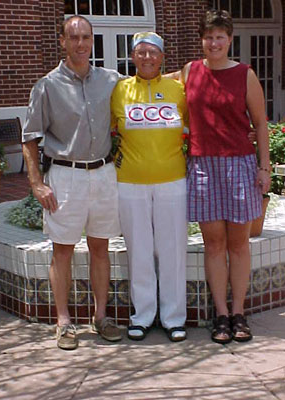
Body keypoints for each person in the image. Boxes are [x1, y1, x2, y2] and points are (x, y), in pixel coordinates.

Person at [22, 15, 123, 350]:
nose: (81, 44)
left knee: (100, 248)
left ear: (92, 41)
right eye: (74, 37)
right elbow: (30, 138)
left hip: (104, 173)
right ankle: (64, 321)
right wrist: (37, 183)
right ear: (62, 42)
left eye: (86, 37)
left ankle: (100, 316)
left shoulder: (110, 80)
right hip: (65, 175)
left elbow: (147, 82)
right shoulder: (47, 85)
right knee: (62, 250)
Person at [169, 9, 271, 344]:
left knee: (239, 244)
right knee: (214, 244)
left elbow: (260, 124)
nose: (214, 42)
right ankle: (221, 315)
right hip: (202, 166)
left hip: (239, 164)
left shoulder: (245, 75)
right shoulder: (189, 71)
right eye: (209, 36)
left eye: (220, 37)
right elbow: (152, 81)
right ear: (202, 39)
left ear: (229, 39)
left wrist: (264, 168)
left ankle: (239, 312)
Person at [111, 32, 188, 342]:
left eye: (152, 52)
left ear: (162, 57)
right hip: (130, 183)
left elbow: (194, 126)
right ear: (132, 56)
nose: (146, 58)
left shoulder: (178, 90)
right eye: (140, 52)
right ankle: (141, 316)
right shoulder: (119, 90)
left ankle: (173, 318)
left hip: (173, 181)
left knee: (172, 251)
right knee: (139, 251)